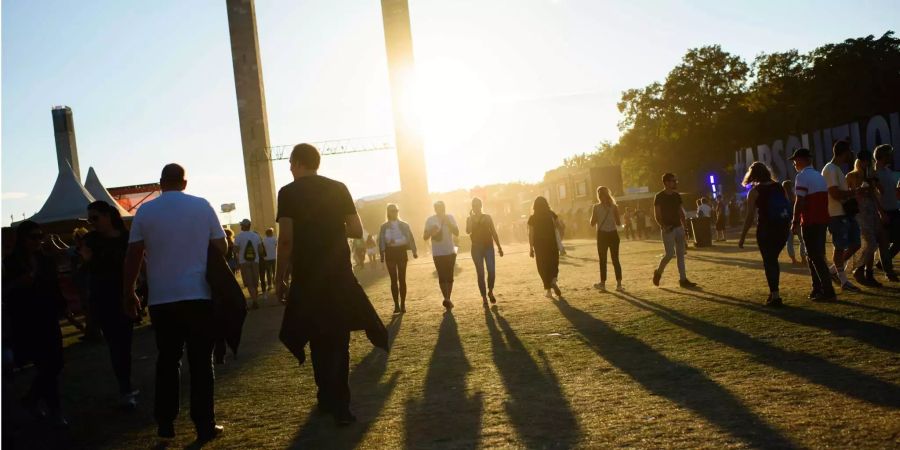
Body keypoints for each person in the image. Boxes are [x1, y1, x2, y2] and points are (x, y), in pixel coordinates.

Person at [274, 143, 387, 426]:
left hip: (307, 277)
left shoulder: (287, 193)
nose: (289, 168)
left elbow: (285, 239)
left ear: (299, 163)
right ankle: (341, 405)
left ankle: (325, 396)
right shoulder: (338, 188)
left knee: (315, 336)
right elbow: (356, 230)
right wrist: (332, 228)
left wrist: (279, 277)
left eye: (291, 163)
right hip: (338, 274)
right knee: (339, 338)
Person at [122, 164, 227, 441]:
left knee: (168, 361)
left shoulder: (145, 211)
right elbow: (221, 246)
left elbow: (133, 254)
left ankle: (165, 424)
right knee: (201, 363)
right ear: (184, 182)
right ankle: (204, 424)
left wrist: (129, 291)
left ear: (161, 183)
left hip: (162, 299)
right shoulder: (201, 206)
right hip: (198, 294)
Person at [2, 221, 68, 427]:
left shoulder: (45, 260)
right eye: (33, 237)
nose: (38, 240)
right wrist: (18, 284)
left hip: (48, 316)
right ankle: (54, 410)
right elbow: (6, 291)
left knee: (55, 363)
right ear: (23, 239)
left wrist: (64, 307)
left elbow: (54, 285)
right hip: (27, 320)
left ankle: (31, 399)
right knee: (45, 365)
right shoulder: (11, 262)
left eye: (40, 236)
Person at [82, 200, 139, 408]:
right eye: (90, 219)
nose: (92, 223)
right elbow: (85, 271)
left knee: (125, 344)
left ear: (108, 216)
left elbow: (137, 263)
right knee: (117, 345)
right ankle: (125, 388)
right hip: (104, 298)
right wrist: (86, 260)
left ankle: (127, 386)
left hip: (125, 295)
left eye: (95, 218)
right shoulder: (90, 240)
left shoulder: (126, 237)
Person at [738, 163, 791, 306]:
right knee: (773, 260)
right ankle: (774, 293)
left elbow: (749, 217)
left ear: (753, 175)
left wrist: (742, 237)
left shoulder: (755, 191)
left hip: (766, 230)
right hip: (782, 229)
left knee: (769, 262)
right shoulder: (779, 186)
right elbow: (787, 205)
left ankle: (775, 295)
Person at [789, 148, 837, 302]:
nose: (794, 164)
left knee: (815, 257)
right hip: (822, 220)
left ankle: (827, 290)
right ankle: (817, 288)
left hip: (810, 221)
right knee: (815, 255)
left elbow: (800, 201)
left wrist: (795, 221)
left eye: (795, 160)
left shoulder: (801, 177)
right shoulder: (818, 176)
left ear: (801, 160)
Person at [822, 139, 862, 292]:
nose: (851, 155)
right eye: (849, 152)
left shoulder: (837, 169)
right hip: (836, 214)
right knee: (839, 247)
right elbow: (834, 193)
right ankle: (844, 280)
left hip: (844, 213)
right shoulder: (831, 169)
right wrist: (854, 192)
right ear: (844, 153)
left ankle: (833, 271)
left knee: (855, 243)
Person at [846, 150, 886, 287]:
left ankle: (869, 273)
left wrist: (873, 182)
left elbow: (880, 192)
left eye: (868, 161)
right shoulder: (851, 176)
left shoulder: (870, 175)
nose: (866, 163)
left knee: (874, 242)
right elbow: (847, 195)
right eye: (863, 161)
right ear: (859, 161)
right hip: (859, 212)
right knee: (870, 243)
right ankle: (858, 269)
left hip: (871, 210)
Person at [652, 173, 697, 288]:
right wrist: (663, 226)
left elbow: (680, 211)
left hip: (678, 227)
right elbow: (657, 215)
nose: (675, 182)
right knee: (669, 254)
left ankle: (683, 279)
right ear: (666, 182)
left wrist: (685, 226)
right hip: (668, 229)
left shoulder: (676, 196)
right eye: (673, 181)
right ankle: (658, 272)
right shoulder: (659, 196)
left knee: (680, 254)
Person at [378, 204, 418, 313]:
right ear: (388, 212)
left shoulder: (404, 225)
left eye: (396, 210)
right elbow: (382, 240)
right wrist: (382, 254)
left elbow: (409, 238)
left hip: (401, 252)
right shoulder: (384, 226)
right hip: (390, 253)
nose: (395, 212)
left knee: (402, 279)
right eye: (392, 210)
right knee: (393, 280)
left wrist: (414, 251)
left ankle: (403, 304)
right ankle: (396, 305)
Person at [466, 198, 504, 304]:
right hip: (476, 248)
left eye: (478, 205)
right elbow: (468, 231)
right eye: (474, 205)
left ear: (481, 205)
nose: (476, 207)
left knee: (491, 270)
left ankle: (490, 291)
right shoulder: (469, 219)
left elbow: (494, 233)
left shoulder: (487, 218)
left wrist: (499, 247)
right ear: (472, 207)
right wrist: (470, 219)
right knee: (480, 273)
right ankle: (484, 297)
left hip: (488, 247)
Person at [424, 201, 459, 310]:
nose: (440, 210)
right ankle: (446, 298)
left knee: (450, 276)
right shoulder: (430, 220)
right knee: (442, 276)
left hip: (450, 250)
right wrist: (431, 231)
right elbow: (425, 237)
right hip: (437, 252)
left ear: (445, 208)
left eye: (442, 208)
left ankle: (448, 298)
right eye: (438, 208)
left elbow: (457, 232)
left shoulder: (450, 217)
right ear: (435, 209)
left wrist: (448, 223)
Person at [528, 196, 563, 299]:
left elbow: (531, 233)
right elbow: (559, 226)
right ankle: (553, 280)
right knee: (553, 262)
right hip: (551, 243)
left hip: (539, 245)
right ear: (546, 204)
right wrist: (560, 239)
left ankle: (548, 290)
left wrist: (531, 248)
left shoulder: (532, 218)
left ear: (534, 206)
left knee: (542, 266)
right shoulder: (551, 214)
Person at [873, 144, 899, 281]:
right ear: (882, 156)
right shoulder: (873, 173)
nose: (892, 156)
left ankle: (882, 264)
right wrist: (881, 213)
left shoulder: (888, 171)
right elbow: (873, 195)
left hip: (894, 210)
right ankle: (889, 272)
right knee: (883, 243)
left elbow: (893, 191)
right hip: (884, 212)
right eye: (889, 154)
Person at [590, 186, 623, 291]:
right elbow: (618, 222)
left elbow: (592, 223)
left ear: (599, 196)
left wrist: (594, 216)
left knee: (602, 260)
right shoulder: (614, 207)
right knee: (615, 259)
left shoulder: (596, 207)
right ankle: (619, 284)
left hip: (602, 235)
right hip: (613, 235)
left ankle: (603, 284)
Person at [234, 219, 263, 309]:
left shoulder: (238, 237)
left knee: (249, 283)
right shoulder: (256, 235)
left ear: (242, 226)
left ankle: (255, 302)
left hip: (244, 262)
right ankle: (255, 300)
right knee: (255, 282)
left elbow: (235, 250)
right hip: (255, 261)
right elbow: (260, 250)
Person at [781, 180, 807, 265]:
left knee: (789, 241)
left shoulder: (782, 198)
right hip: (797, 220)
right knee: (802, 240)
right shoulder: (795, 196)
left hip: (787, 221)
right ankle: (803, 258)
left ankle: (793, 259)